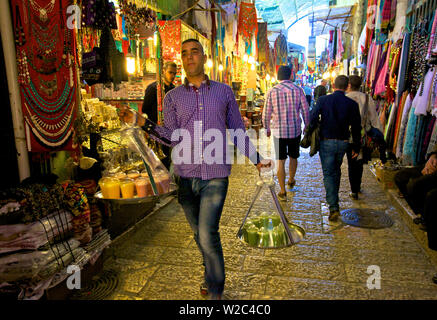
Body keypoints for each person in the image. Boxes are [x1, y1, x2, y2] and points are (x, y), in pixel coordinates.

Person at [119, 39, 271, 300]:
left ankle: (215, 292)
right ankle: (208, 273)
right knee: (198, 234)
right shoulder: (172, 97)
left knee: (206, 232)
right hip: (185, 176)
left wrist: (257, 158)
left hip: (215, 175)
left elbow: (236, 130)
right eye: (185, 54)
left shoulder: (223, 93)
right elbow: (170, 137)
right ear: (182, 60)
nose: (190, 57)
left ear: (204, 56)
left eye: (195, 52)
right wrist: (141, 122)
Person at [310, 75, 361, 221]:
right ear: (347, 86)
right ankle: (334, 200)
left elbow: (313, 118)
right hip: (343, 142)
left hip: (326, 141)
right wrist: (356, 147)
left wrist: (311, 130)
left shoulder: (323, 100)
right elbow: (356, 127)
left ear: (333, 85)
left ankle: (333, 207)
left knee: (328, 173)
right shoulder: (352, 104)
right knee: (336, 170)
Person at [263, 65, 310, 201]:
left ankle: (283, 191)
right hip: (294, 130)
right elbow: (305, 110)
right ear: (290, 75)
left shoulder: (272, 91)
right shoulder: (298, 90)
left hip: (278, 132)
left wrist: (267, 128)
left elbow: (266, 113)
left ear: (278, 76)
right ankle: (291, 179)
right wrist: (306, 126)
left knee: (280, 161)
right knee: (294, 157)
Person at [394, 118, 437, 224]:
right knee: (401, 177)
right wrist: (433, 156)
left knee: (417, 187)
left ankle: (427, 218)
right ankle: (424, 215)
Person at [346, 75, 386, 200]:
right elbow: (374, 119)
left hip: (348, 135)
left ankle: (354, 190)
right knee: (359, 160)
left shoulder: (345, 98)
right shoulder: (367, 99)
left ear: (349, 85)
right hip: (363, 135)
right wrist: (379, 135)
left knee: (351, 161)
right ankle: (357, 186)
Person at [142, 61, 177, 170]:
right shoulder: (153, 89)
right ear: (163, 72)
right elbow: (145, 109)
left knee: (168, 160)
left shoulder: (174, 90)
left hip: (168, 131)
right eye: (170, 73)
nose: (172, 76)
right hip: (155, 130)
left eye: (174, 73)